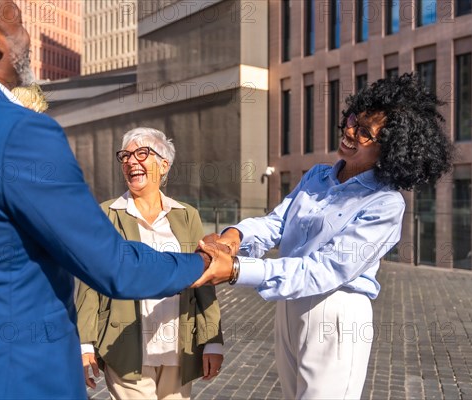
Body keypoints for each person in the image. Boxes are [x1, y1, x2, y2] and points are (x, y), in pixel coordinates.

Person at [0, 1, 226, 398]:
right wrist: (203, 261)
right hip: (20, 379)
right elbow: (113, 267)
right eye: (20, 24)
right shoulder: (23, 134)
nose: (27, 37)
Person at [195, 73, 455, 399]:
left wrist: (235, 270)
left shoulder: (385, 204)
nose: (349, 132)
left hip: (336, 313)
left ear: (389, 148)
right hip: (289, 305)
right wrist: (234, 235)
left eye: (364, 132)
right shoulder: (318, 176)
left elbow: (323, 270)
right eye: (351, 121)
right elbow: (277, 223)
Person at [77, 127, 224, 400]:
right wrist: (85, 343)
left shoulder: (186, 215)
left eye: (141, 153)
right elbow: (90, 282)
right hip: (125, 347)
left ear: (164, 164)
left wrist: (213, 342)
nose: (130, 161)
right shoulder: (106, 214)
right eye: (125, 156)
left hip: (178, 347)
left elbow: (205, 279)